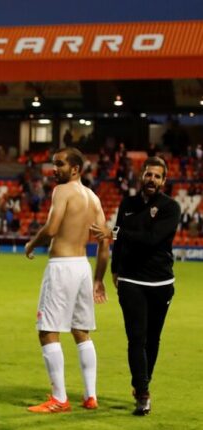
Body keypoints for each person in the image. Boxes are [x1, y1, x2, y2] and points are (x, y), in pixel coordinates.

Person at [90, 156, 181, 416]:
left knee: (153, 339)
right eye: (148, 174)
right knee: (136, 338)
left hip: (162, 281)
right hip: (131, 281)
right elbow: (119, 238)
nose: (151, 179)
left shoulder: (170, 208)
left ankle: (143, 380)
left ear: (163, 181)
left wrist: (115, 233)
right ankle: (142, 393)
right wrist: (116, 269)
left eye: (157, 176)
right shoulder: (127, 203)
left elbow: (152, 239)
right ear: (141, 176)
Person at [24, 147, 109, 413]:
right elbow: (105, 241)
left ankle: (59, 399)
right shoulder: (93, 198)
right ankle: (91, 395)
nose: (54, 169)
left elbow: (51, 229)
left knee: (48, 331)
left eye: (59, 164)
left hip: (62, 267)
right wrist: (98, 279)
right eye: (53, 164)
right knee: (81, 331)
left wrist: (31, 243)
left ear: (75, 169)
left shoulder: (62, 191)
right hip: (83, 267)